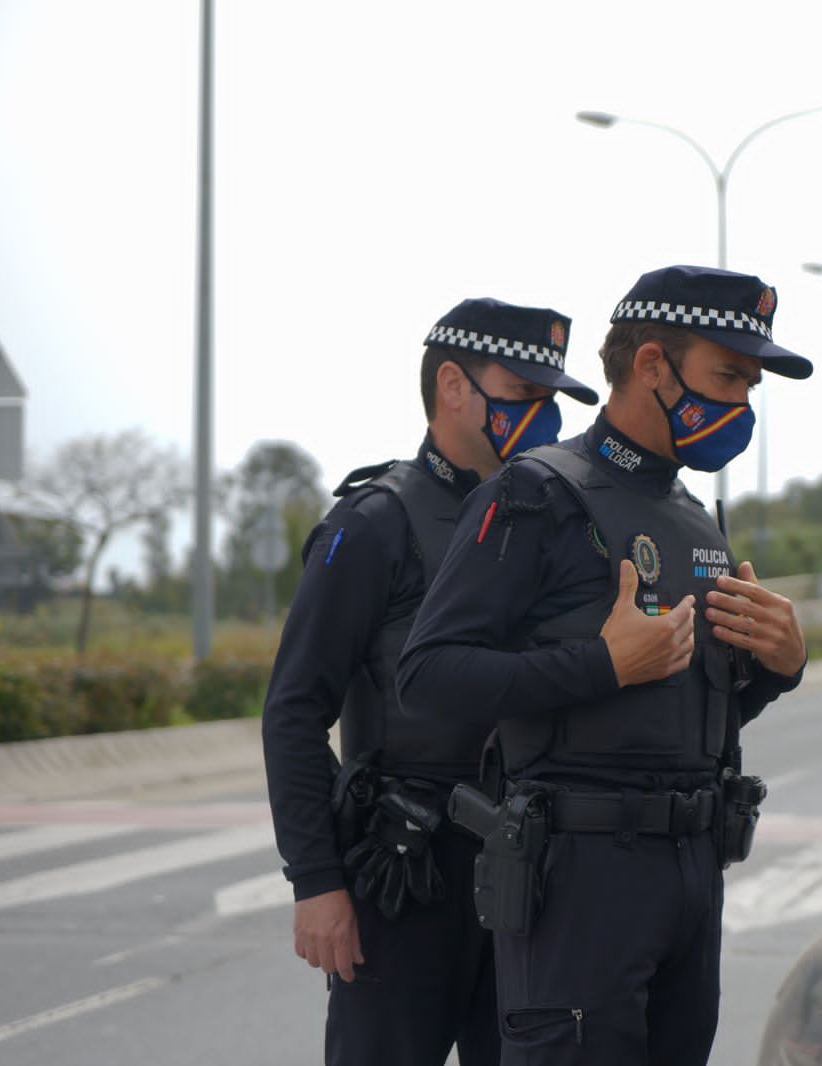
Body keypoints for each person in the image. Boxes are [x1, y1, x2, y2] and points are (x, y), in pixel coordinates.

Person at [397, 265, 814, 1065]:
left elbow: (684, 708)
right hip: (581, 881)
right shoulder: (536, 494)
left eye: (752, 384)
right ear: (652, 364)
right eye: (728, 375)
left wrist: (778, 666)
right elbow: (429, 676)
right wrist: (601, 665)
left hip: (693, 871)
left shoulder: (693, 516)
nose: (742, 404)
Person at [261, 297, 599, 1066]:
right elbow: (293, 711)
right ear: (453, 387)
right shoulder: (375, 522)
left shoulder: (550, 521)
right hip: (404, 875)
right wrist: (316, 882)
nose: (543, 418)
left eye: (552, 402)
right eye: (523, 395)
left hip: (529, 877)